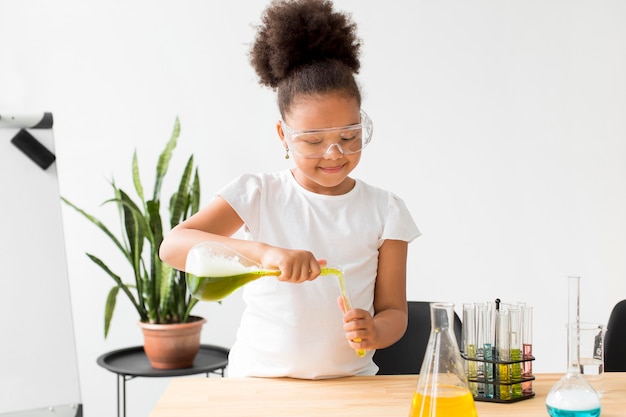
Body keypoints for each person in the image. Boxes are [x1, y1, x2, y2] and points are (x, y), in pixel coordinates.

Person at [159, 0, 420, 379]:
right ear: (283, 135)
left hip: (350, 386)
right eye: (313, 141)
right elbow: (174, 247)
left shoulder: (385, 210)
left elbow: (395, 310)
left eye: (349, 136)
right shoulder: (258, 194)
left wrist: (376, 330)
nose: (335, 153)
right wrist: (264, 253)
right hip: (258, 383)